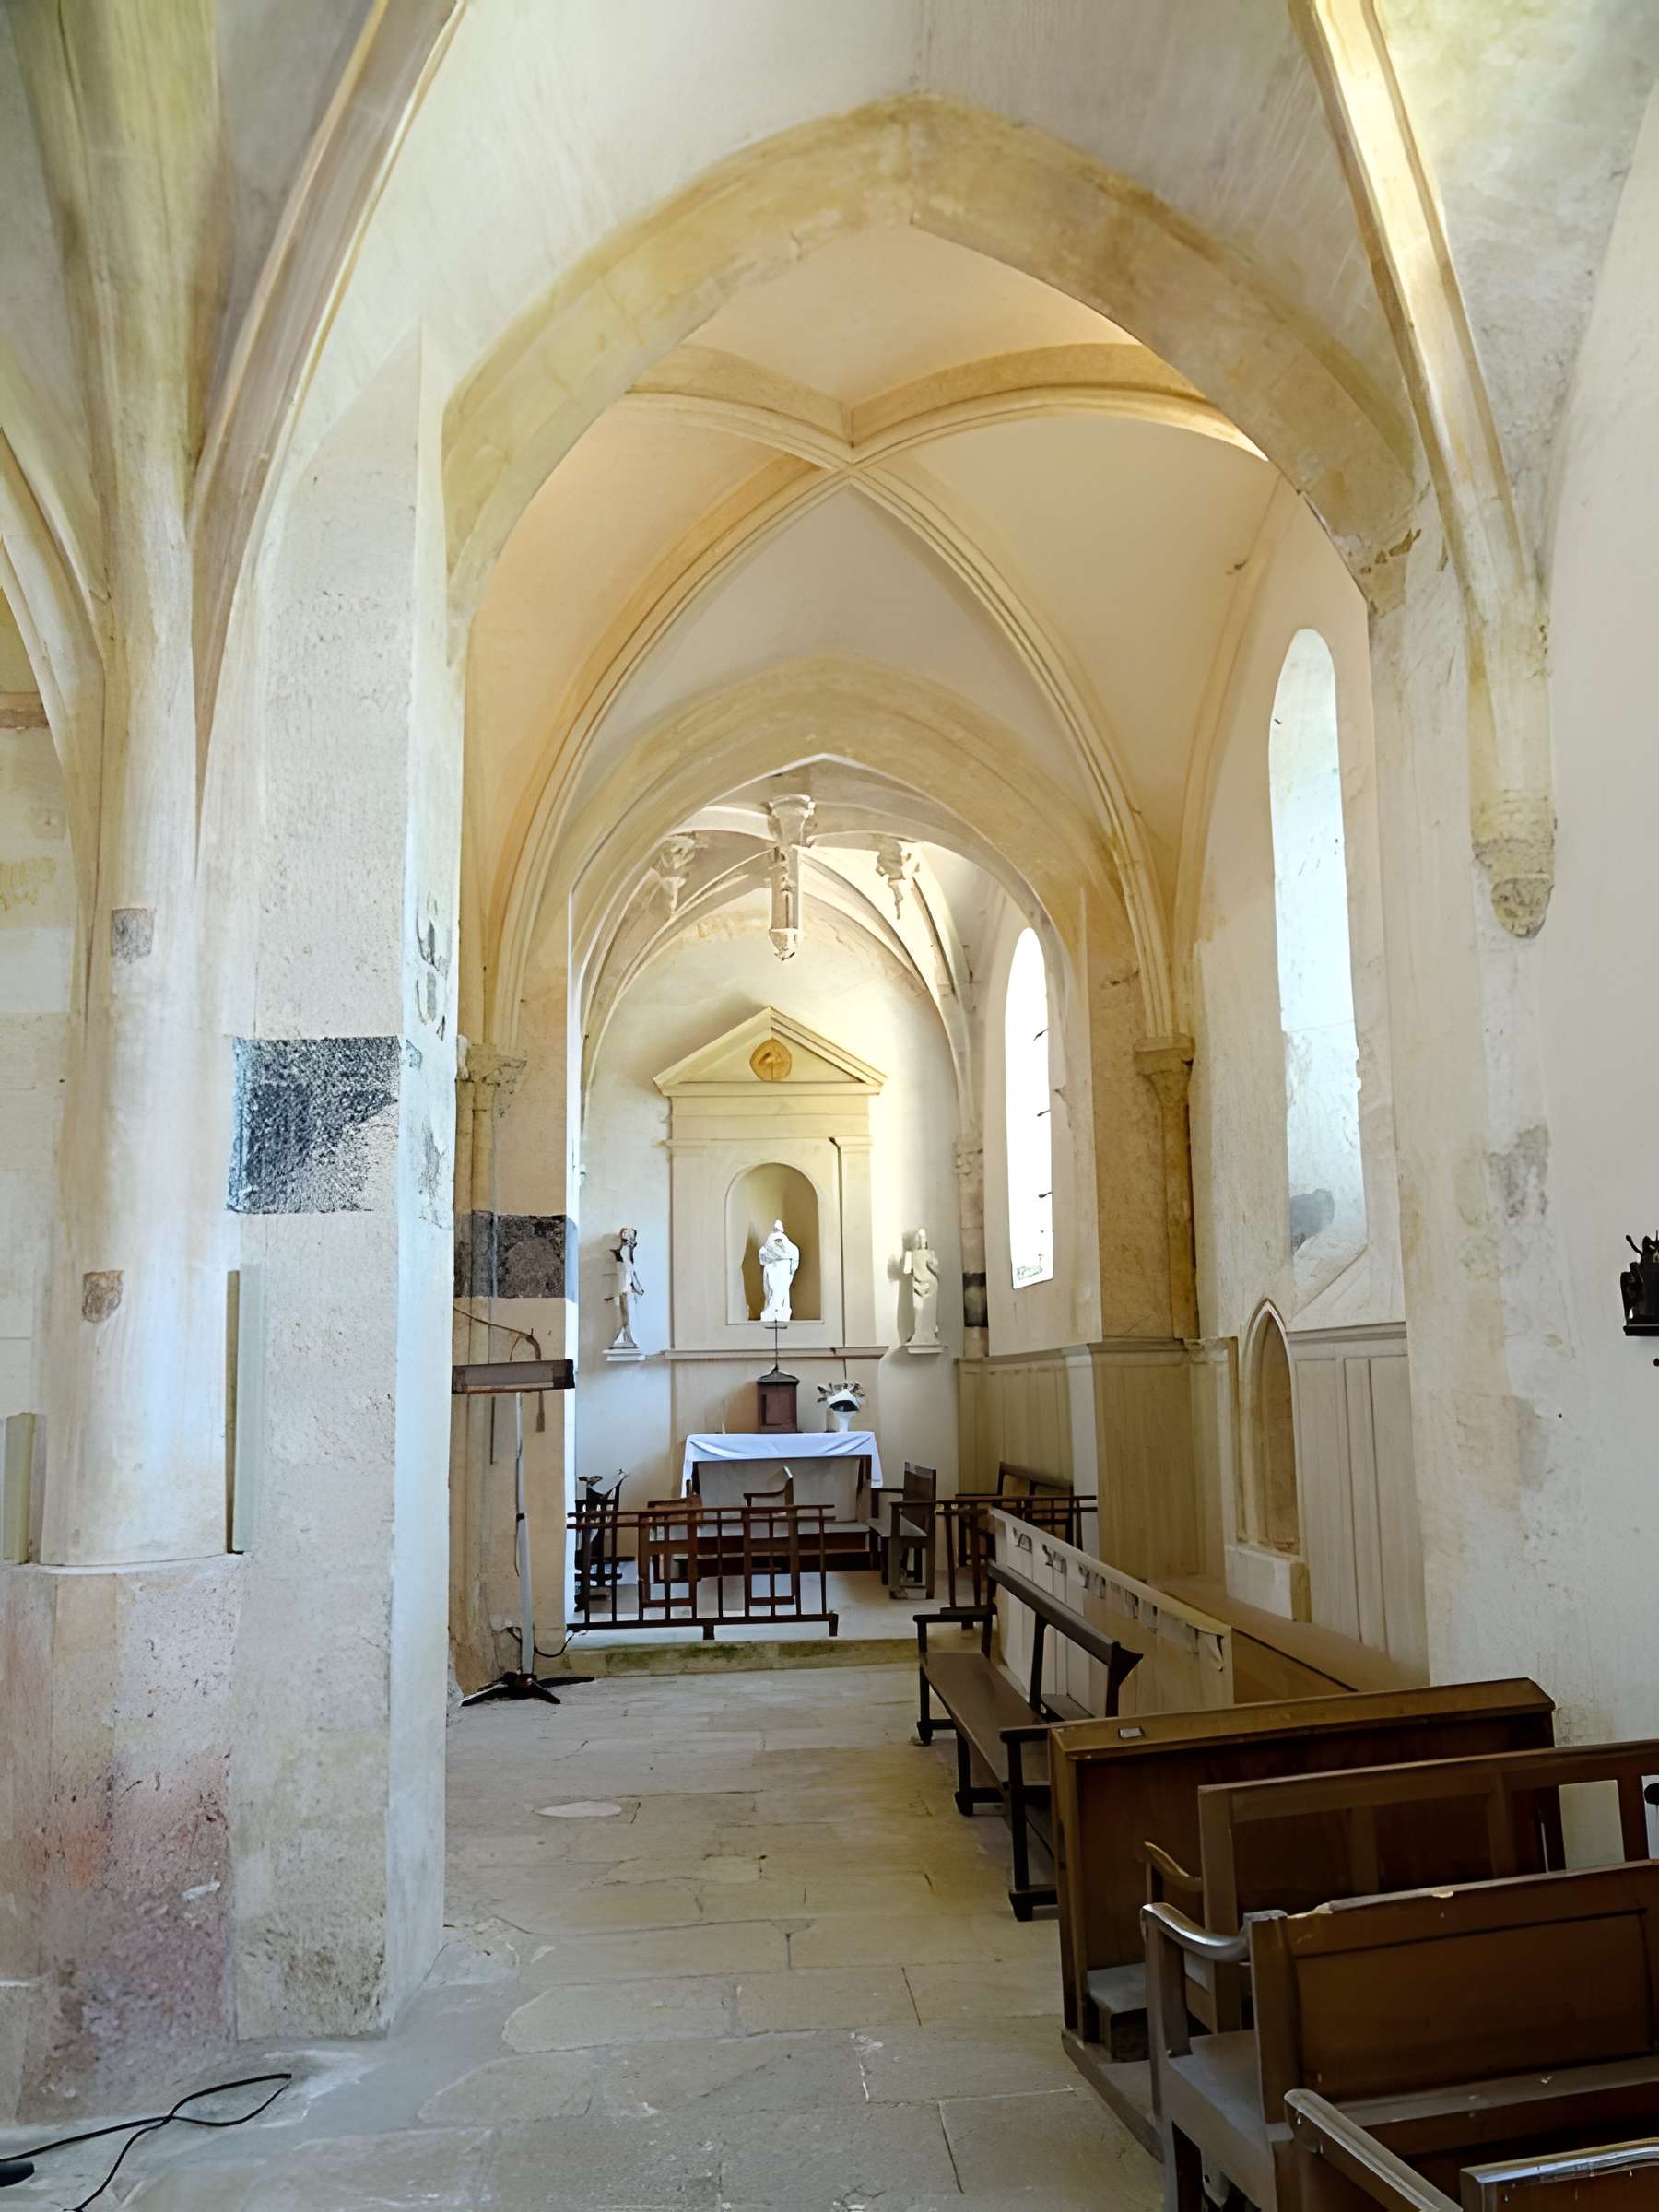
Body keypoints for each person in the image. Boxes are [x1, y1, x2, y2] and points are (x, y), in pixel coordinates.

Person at [758, 1218, 799, 1326]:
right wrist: (792, 1268)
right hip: (779, 1269)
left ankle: (776, 1312)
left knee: (778, 1292)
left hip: (778, 1269)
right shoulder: (780, 1241)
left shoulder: (776, 1240)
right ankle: (775, 1312)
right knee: (778, 1292)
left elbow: (764, 1255)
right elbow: (794, 1254)